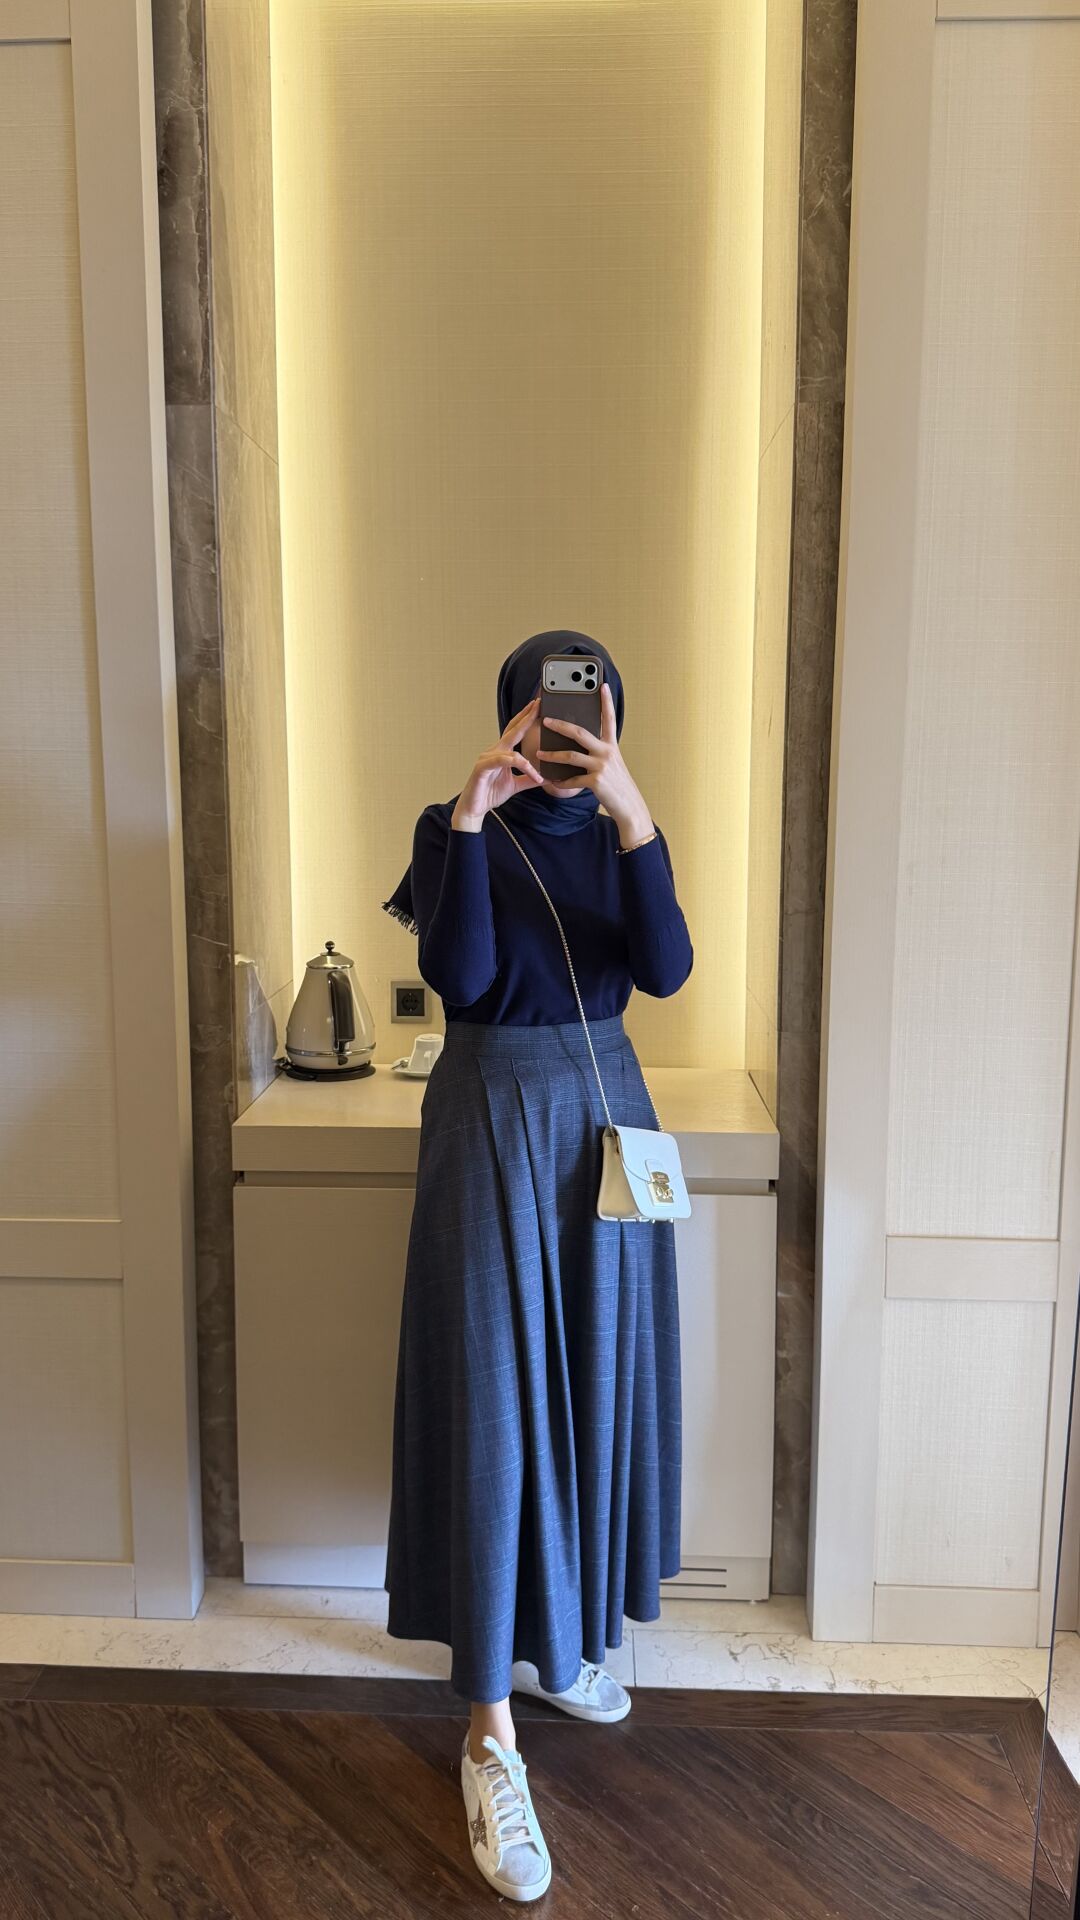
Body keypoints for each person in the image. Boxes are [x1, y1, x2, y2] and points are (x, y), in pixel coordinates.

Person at [381, 629, 693, 1902]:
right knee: (498, 1415)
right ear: (513, 711)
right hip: (489, 1119)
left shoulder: (624, 831)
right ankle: (488, 1733)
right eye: (548, 709)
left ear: (614, 716)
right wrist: (471, 812)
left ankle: (562, 1649)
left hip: (607, 1122)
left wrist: (630, 808)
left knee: (595, 1399)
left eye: (590, 709)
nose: (566, 730)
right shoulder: (450, 827)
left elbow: (664, 969)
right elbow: (459, 976)